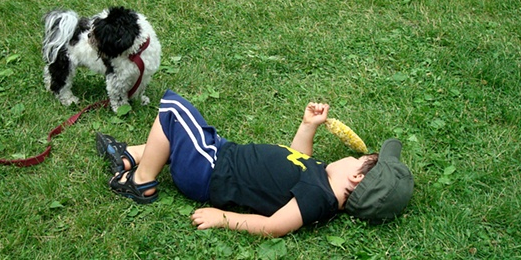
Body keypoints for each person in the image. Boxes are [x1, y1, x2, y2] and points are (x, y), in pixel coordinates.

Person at [97, 90, 414, 237]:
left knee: (173, 110)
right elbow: (295, 159)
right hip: (222, 153)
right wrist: (308, 127)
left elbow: (273, 226)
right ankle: (131, 156)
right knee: (187, 133)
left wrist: (222, 218)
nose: (351, 156)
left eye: (358, 158)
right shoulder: (318, 178)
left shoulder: (318, 197)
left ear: (357, 177)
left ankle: (141, 181)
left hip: (211, 170)